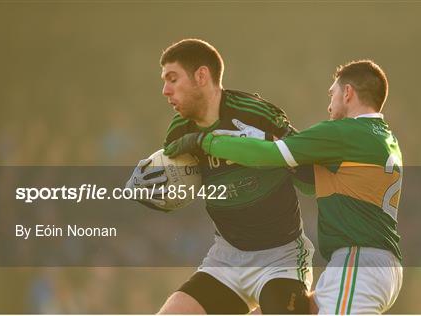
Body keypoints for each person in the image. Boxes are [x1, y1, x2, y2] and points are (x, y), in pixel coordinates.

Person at [166, 60, 404, 314]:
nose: (329, 103)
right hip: (375, 265)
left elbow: (270, 155)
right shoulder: (384, 137)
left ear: (347, 93)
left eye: (332, 93)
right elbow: (309, 178)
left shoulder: (344, 132)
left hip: (358, 262)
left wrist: (205, 141)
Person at [127, 39, 314, 314]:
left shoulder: (256, 114)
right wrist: (154, 191)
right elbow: (184, 189)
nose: (165, 90)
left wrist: (263, 143)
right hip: (226, 259)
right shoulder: (178, 131)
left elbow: (310, 178)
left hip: (281, 258)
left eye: (173, 79)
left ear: (201, 76)